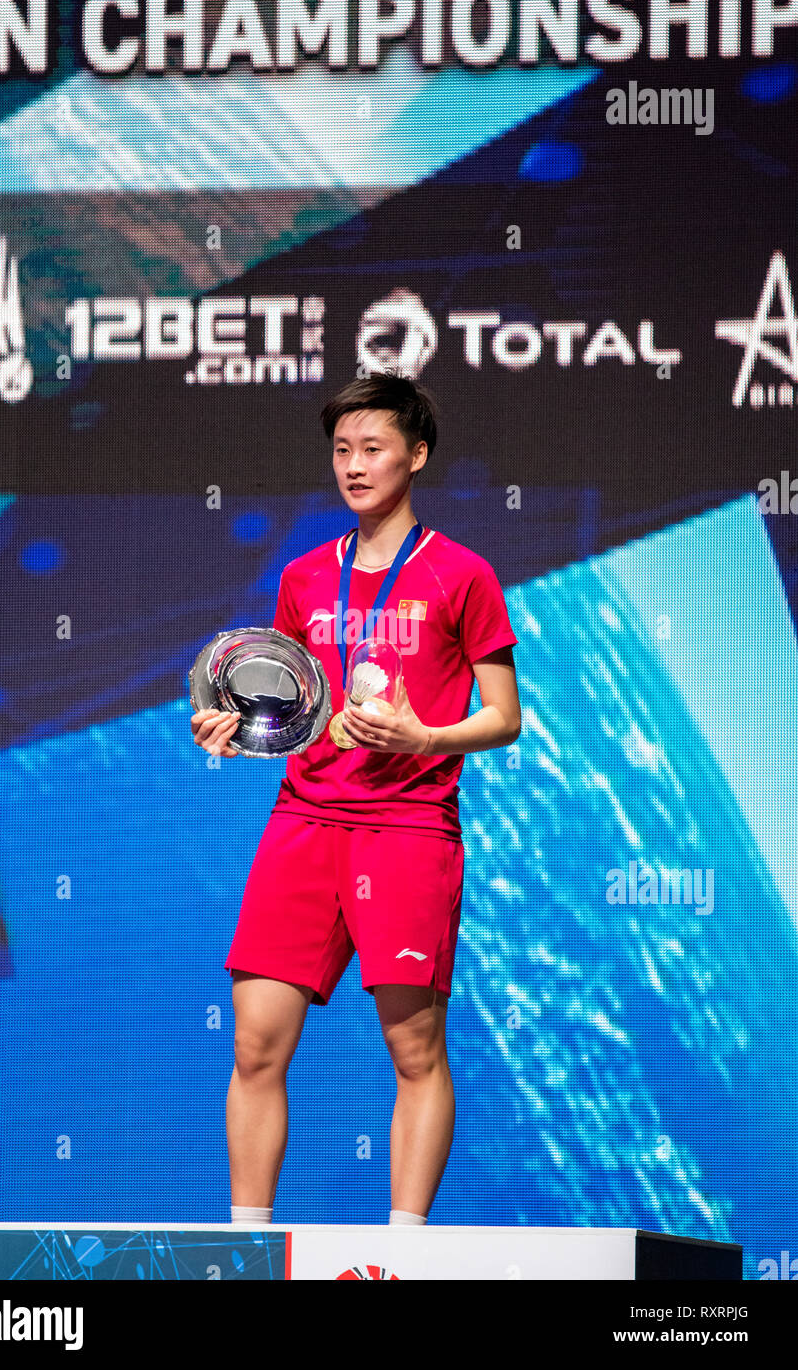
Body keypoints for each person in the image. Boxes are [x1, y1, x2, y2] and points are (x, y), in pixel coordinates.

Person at [190, 371, 521, 1228]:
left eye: (373, 448)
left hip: (408, 829)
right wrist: (237, 724)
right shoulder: (303, 578)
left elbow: (505, 718)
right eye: (342, 449)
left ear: (416, 456)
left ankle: (402, 1246)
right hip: (304, 823)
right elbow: (292, 709)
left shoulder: (462, 576)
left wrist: (427, 739)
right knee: (255, 1043)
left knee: (414, 1051)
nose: (354, 464)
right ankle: (247, 1245)